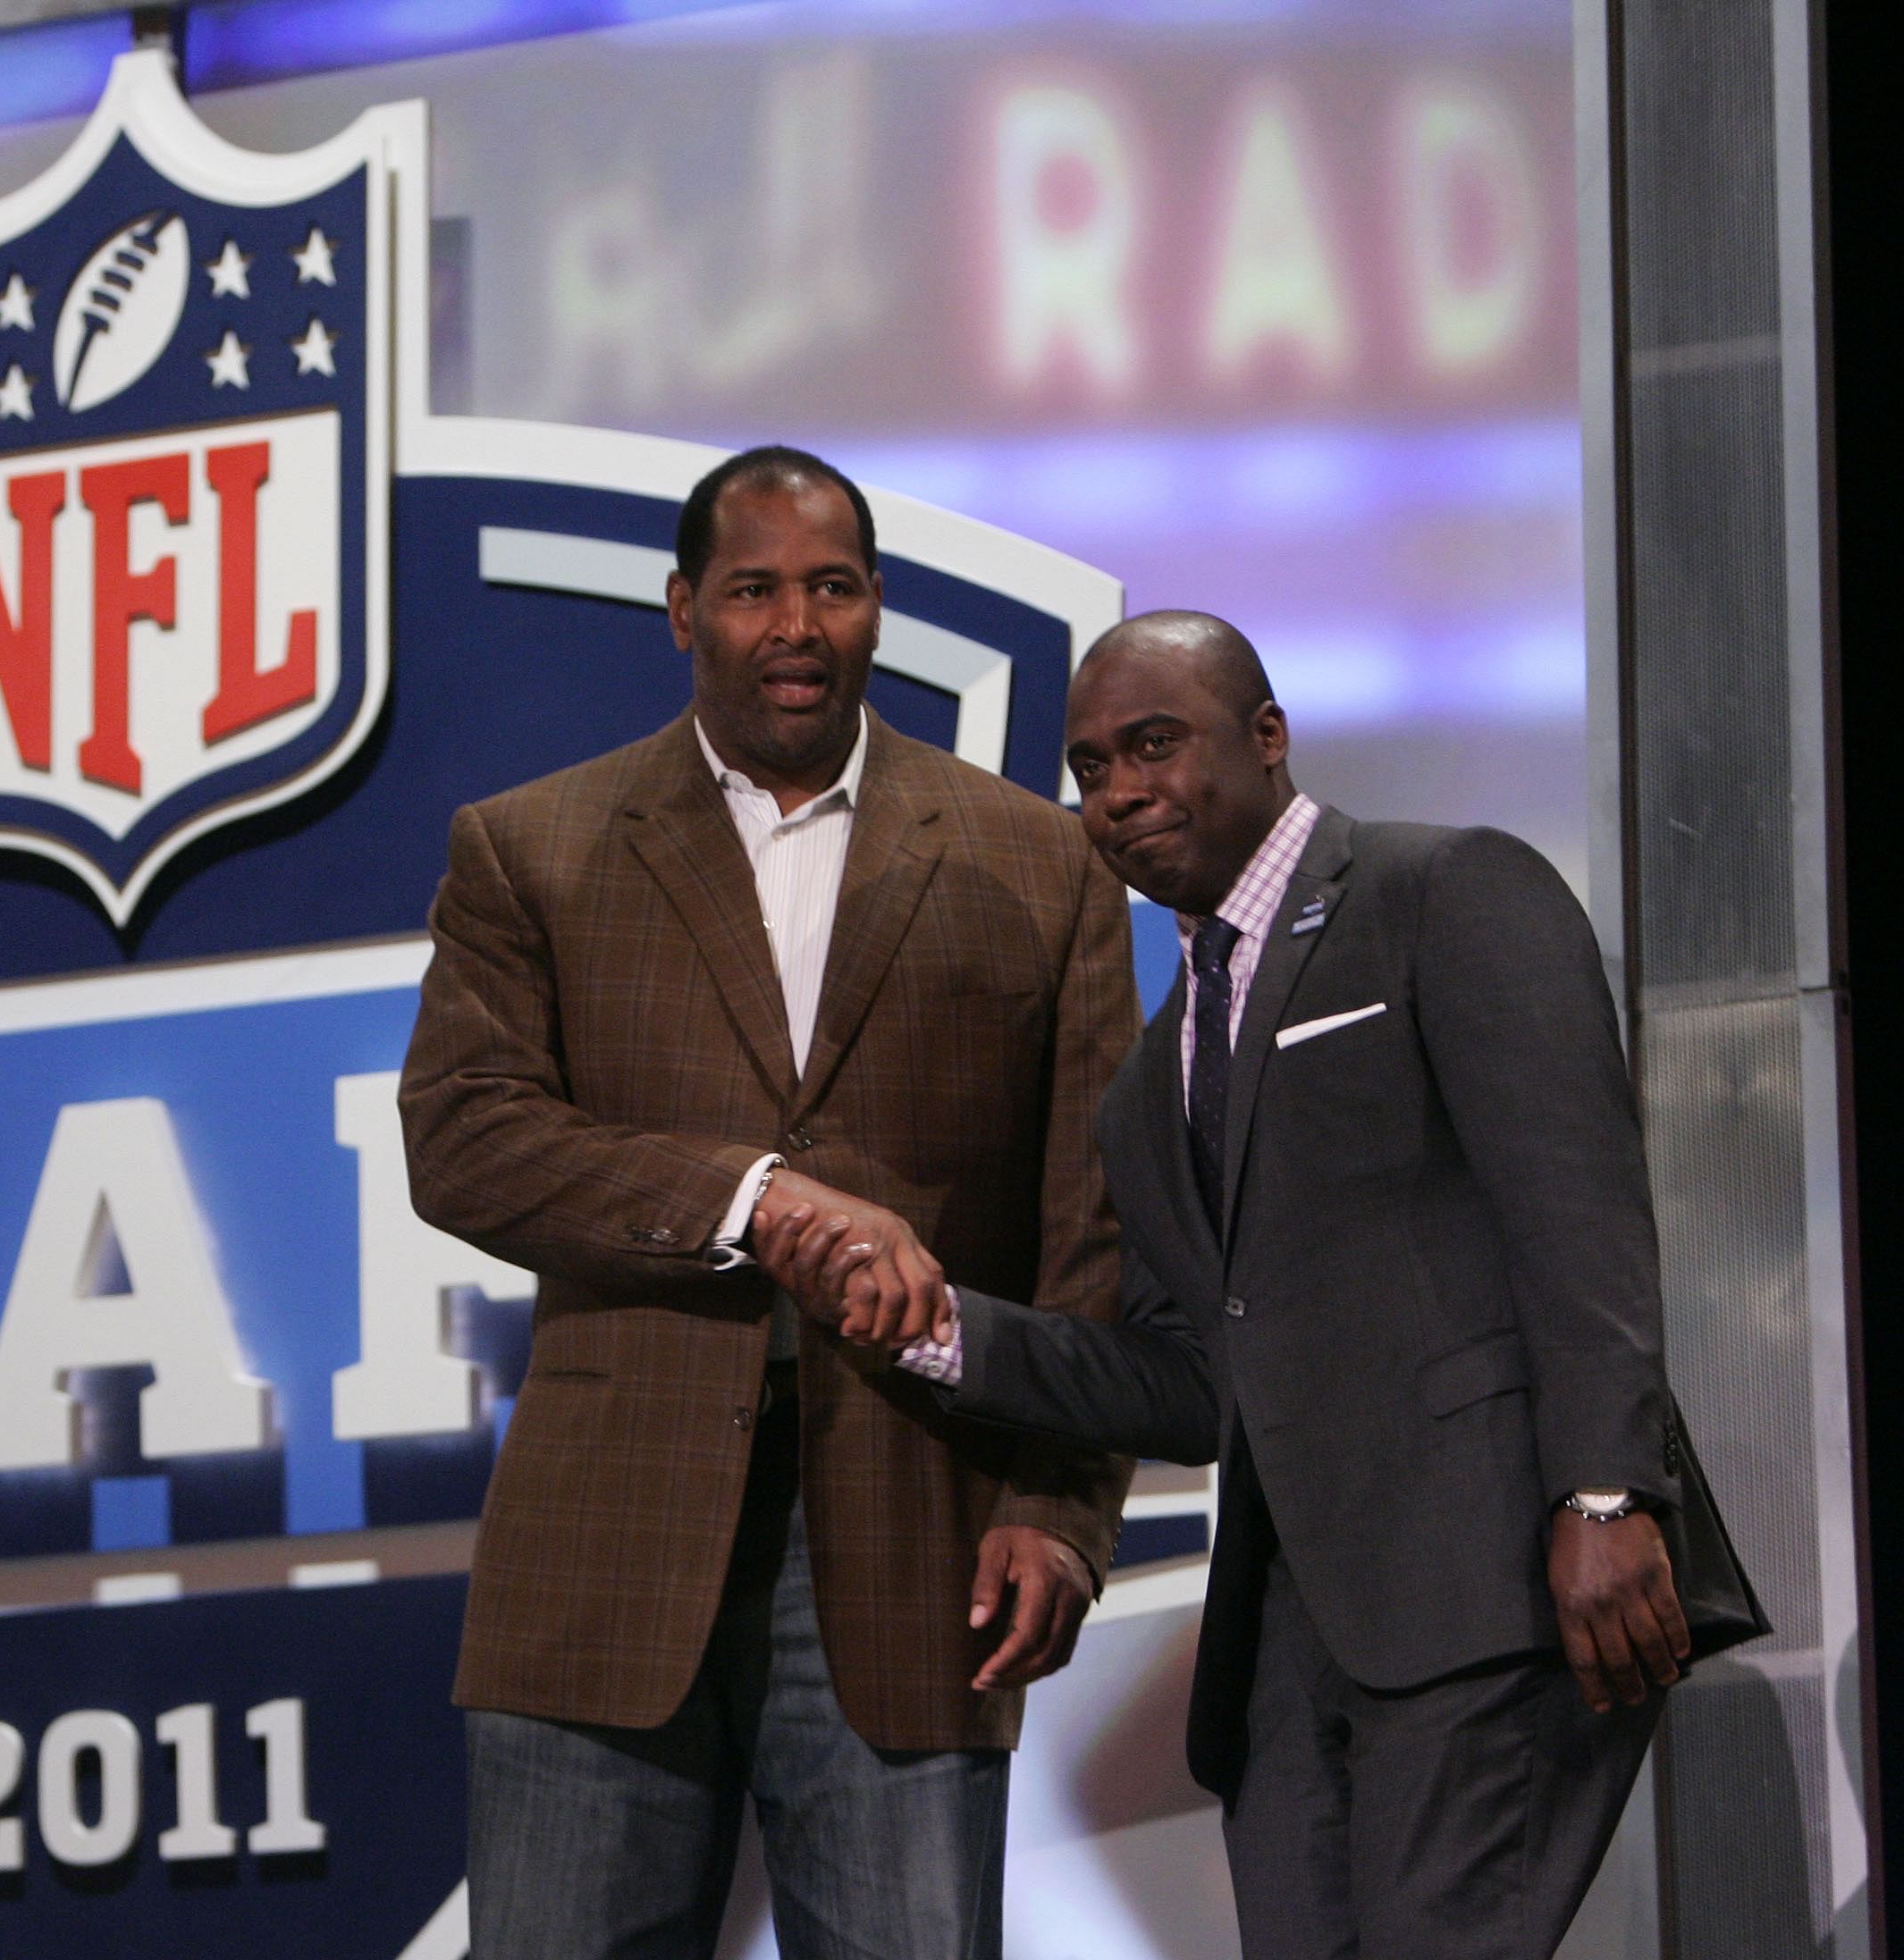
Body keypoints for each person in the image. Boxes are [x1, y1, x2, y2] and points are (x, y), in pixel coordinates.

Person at [761, 610, 1741, 1960]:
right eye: (1091, 766)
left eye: (1154, 745)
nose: (1119, 792)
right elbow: (1191, 1376)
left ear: (1266, 736)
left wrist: (1607, 1490)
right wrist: (942, 1331)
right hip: (1289, 1648)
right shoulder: (1146, 1087)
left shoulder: (1443, 890)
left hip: (1490, 1580)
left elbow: (1578, 1218)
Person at [398, 446, 1139, 1959]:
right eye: (753, 589)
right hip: (604, 1538)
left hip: (918, 1537)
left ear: (878, 613)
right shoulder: (531, 847)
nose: (795, 622)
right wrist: (755, 1198)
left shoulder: (1040, 863)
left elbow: (1094, 1229)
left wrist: (1061, 1515)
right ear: (682, 613)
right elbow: (462, 1134)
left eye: (833, 586)